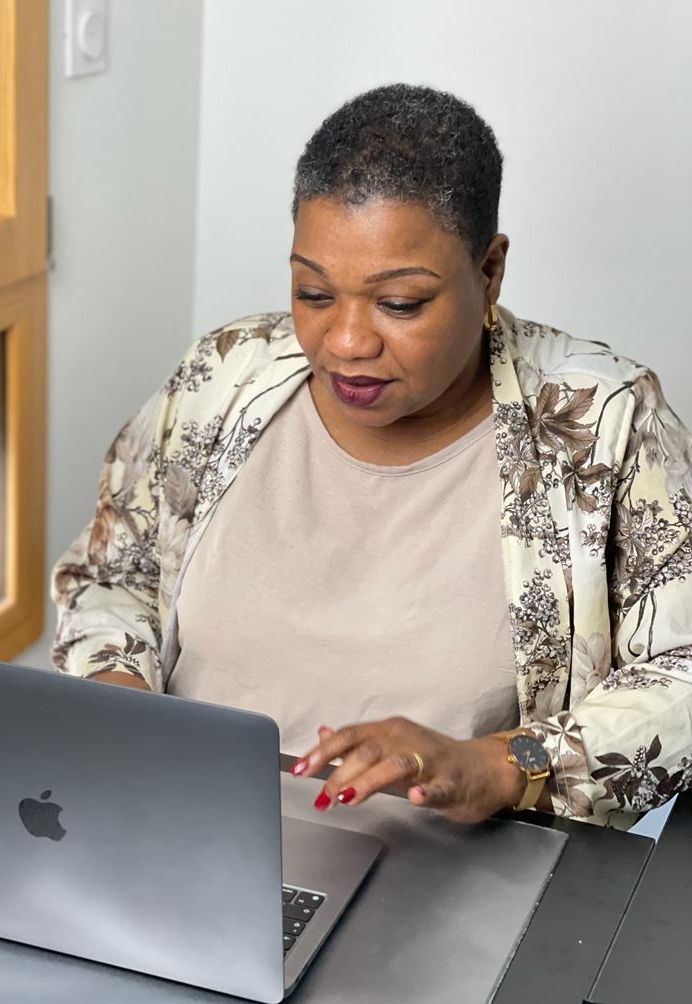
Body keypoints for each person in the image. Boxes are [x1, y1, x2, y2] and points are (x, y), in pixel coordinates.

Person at [52, 84, 692, 829]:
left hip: (448, 873)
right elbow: (110, 575)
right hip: (175, 823)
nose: (346, 341)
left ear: (489, 272)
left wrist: (500, 763)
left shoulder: (601, 422)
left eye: (400, 304)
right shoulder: (224, 374)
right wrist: (117, 689)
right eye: (313, 293)